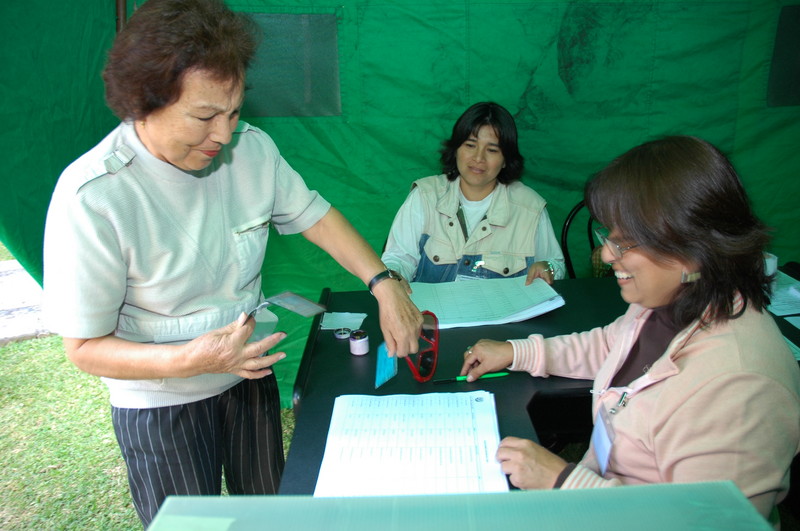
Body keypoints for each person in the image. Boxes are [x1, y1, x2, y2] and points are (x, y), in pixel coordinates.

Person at [41, 0, 421, 526]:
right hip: (159, 400)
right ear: (143, 102)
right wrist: (188, 361)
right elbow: (84, 348)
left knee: (269, 513)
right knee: (189, 523)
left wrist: (384, 284)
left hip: (245, 373)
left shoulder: (252, 151)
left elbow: (317, 217)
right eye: (203, 116)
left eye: (235, 111)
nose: (223, 134)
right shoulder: (95, 196)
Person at [460, 136, 800, 524]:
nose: (606, 254)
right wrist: (518, 352)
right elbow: (611, 344)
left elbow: (702, 522)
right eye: (610, 236)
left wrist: (562, 481)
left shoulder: (740, 386)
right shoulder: (668, 302)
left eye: (624, 243)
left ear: (691, 247)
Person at [380, 102, 565, 285]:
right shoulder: (424, 196)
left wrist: (547, 268)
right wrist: (395, 278)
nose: (478, 158)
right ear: (456, 150)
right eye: (470, 145)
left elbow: (554, 265)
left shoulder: (530, 208)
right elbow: (398, 258)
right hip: (432, 314)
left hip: (503, 314)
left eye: (492, 150)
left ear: (506, 160)